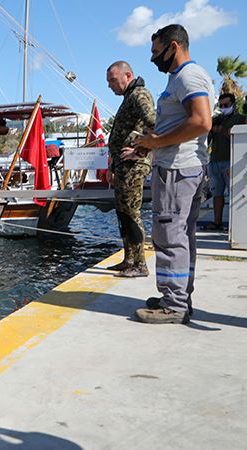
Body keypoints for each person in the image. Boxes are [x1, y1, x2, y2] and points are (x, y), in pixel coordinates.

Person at [122, 24, 214, 324]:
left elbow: (201, 121)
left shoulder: (188, 76)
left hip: (178, 169)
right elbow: (182, 123)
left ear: (173, 47)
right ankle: (177, 298)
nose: (153, 59)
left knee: (170, 236)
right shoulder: (182, 79)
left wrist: (156, 142)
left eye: (155, 51)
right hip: (178, 166)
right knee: (179, 236)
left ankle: (173, 306)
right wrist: (149, 145)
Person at [105, 61, 157, 278]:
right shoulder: (129, 96)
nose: (110, 86)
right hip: (123, 165)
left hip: (134, 165)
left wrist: (141, 151)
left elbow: (154, 122)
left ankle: (140, 264)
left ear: (128, 75)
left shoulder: (139, 95)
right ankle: (129, 259)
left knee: (131, 212)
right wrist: (113, 165)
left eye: (113, 81)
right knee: (122, 212)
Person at [204, 93, 245, 230]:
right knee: (217, 193)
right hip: (214, 161)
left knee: (235, 194)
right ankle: (217, 222)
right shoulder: (217, 119)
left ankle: (237, 226)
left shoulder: (240, 119)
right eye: (220, 105)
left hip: (231, 161)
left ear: (233, 104)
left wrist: (223, 130)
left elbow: (241, 137)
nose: (223, 108)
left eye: (226, 105)